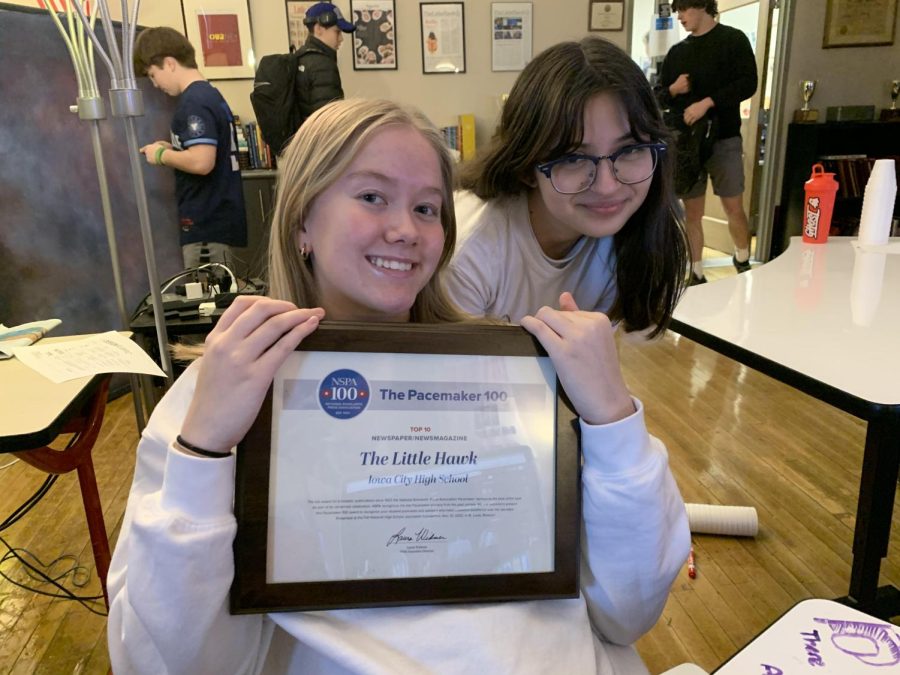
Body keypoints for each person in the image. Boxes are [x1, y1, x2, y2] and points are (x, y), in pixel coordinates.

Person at [106, 98, 689, 675]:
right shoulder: (221, 396)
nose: (406, 230)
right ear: (302, 220)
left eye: (428, 208)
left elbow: (627, 611)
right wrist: (204, 450)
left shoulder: (520, 374)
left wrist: (613, 418)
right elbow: (163, 663)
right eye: (371, 197)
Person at [447, 36, 687, 335]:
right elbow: (458, 379)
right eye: (573, 159)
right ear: (526, 167)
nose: (607, 186)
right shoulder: (468, 252)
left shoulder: (636, 233)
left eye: (630, 150)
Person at [657, 0, 758, 284]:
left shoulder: (733, 40)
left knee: (733, 205)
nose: (679, 17)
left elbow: (748, 82)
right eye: (677, 11)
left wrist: (708, 103)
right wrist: (674, 90)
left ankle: (741, 258)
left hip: (724, 137)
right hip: (688, 145)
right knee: (692, 212)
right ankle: (696, 272)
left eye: (684, 10)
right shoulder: (677, 52)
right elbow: (658, 95)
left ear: (701, 6)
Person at [133, 27, 247, 272]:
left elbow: (201, 162)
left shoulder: (193, 101)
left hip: (205, 223)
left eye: (153, 75)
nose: (154, 84)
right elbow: (204, 148)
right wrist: (175, 147)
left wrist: (161, 155)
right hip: (216, 219)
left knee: (206, 304)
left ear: (170, 63)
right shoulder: (209, 95)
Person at [293, 2, 356, 126]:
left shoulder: (300, 56)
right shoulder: (323, 65)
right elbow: (330, 123)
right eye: (337, 32)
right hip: (319, 143)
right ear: (319, 29)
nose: (341, 39)